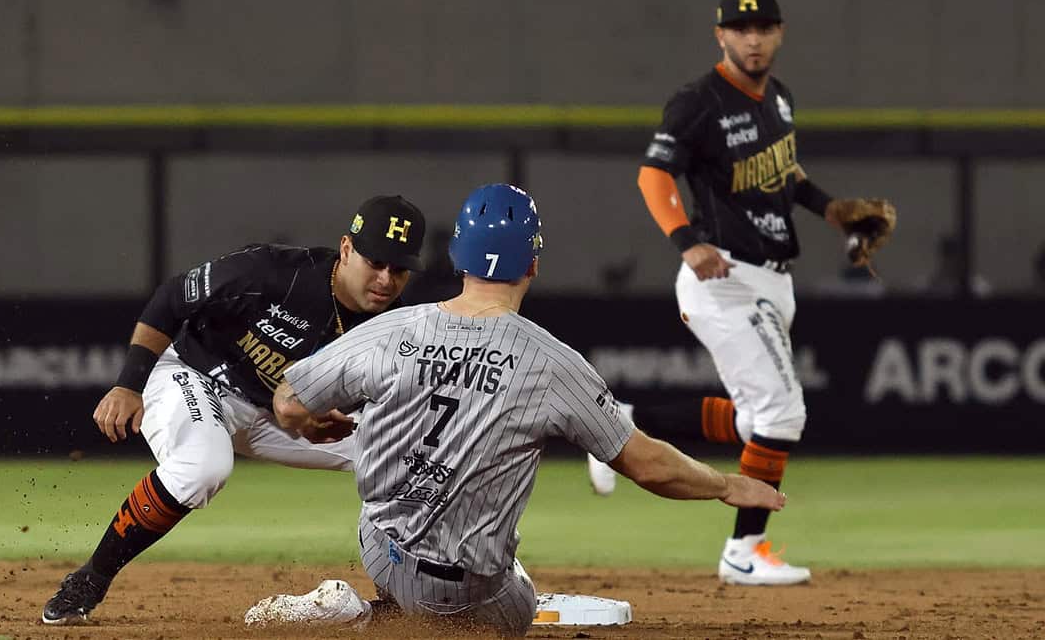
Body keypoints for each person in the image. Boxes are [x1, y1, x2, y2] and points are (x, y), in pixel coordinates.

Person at [270, 183, 786, 636]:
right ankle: (378, 620)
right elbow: (645, 465)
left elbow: (288, 400)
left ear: (457, 259)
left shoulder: (391, 330)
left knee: (389, 524)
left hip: (381, 551)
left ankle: (363, 611)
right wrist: (727, 485)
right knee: (518, 599)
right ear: (533, 264)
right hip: (473, 593)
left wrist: (314, 423)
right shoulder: (552, 363)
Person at [40, 195, 427, 624]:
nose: (386, 279)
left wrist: (318, 418)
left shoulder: (395, 325)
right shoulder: (275, 273)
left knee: (410, 456)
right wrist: (128, 385)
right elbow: (173, 297)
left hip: (275, 416)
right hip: (195, 376)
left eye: (399, 269)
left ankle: (401, 600)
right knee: (204, 466)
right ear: (347, 249)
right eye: (375, 262)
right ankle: (90, 578)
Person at [636, 0, 895, 585]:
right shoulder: (698, 101)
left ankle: (623, 422)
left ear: (779, 33)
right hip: (724, 273)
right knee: (782, 410)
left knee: (758, 419)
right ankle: (744, 548)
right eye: (741, 27)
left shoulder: (778, 100)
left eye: (764, 27)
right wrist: (686, 240)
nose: (753, 37)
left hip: (774, 280)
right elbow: (653, 176)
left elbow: (788, 176)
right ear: (720, 35)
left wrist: (835, 212)